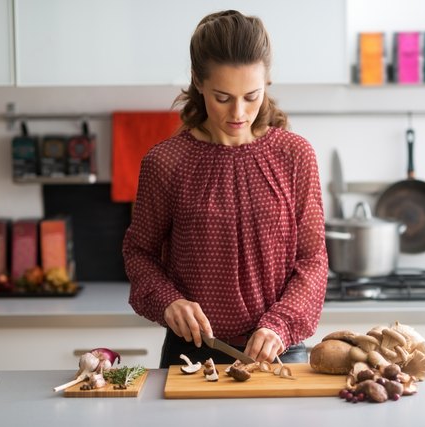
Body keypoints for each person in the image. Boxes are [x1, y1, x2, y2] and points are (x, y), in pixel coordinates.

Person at [123, 10, 328, 368]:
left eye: (252, 96)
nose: (238, 112)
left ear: (267, 84)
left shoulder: (295, 155)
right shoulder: (166, 162)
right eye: (222, 97)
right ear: (197, 82)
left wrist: (280, 324)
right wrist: (168, 300)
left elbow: (313, 259)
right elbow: (139, 252)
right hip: (192, 354)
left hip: (280, 352)